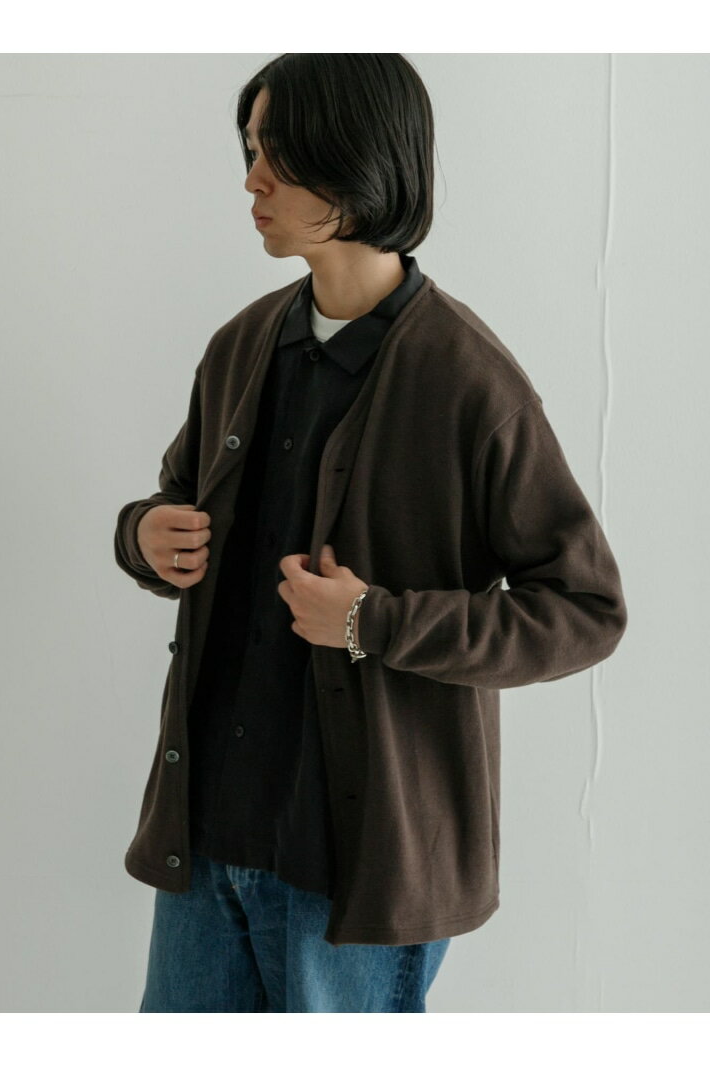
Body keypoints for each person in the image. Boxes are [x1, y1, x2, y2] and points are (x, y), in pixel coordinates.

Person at [113, 54, 628, 1013]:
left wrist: (373, 622)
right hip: (207, 839)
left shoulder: (470, 382)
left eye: (277, 154)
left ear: (354, 163)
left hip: (351, 869)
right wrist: (143, 536)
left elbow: (585, 609)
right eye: (250, 150)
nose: (252, 180)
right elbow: (173, 502)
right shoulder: (242, 345)